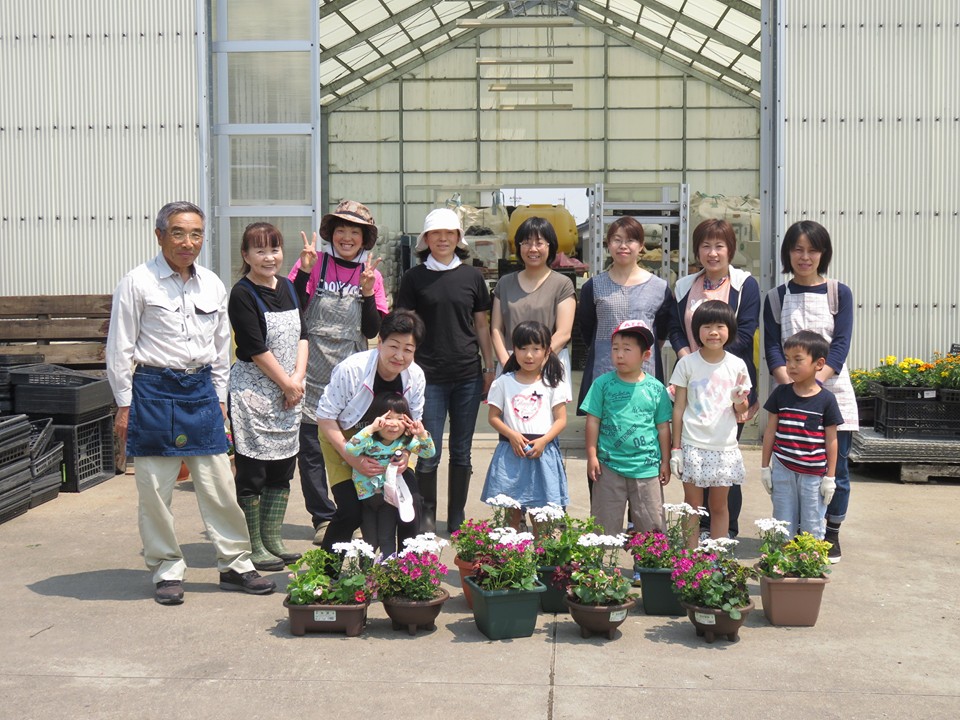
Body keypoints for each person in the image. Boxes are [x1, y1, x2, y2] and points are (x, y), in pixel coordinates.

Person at [106, 201, 275, 605]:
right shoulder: (138, 282)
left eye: (196, 234)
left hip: (200, 392)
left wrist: (219, 399)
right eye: (178, 233)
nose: (188, 242)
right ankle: (166, 569)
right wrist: (124, 405)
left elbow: (220, 349)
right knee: (154, 490)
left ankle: (235, 564)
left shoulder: (212, 284)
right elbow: (119, 348)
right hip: (153, 390)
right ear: (160, 235)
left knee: (219, 485)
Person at [289, 200, 388, 545]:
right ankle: (322, 517)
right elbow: (293, 312)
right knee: (311, 451)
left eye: (354, 232)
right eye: (341, 230)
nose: (347, 237)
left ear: (365, 238)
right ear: (331, 234)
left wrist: (367, 292)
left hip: (351, 376)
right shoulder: (314, 262)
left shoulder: (372, 274)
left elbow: (372, 330)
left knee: (351, 444)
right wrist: (304, 272)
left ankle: (351, 513)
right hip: (311, 369)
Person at [396, 208, 495, 534]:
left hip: (467, 374)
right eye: (435, 233)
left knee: (462, 451)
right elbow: (404, 328)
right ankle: (426, 516)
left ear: (458, 238)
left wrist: (489, 367)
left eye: (449, 233)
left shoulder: (472, 277)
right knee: (429, 450)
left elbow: (482, 325)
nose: (442, 239)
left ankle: (456, 516)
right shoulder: (414, 278)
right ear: (425, 239)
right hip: (428, 377)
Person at [763, 220, 857, 562]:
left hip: (832, 393)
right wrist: (792, 385)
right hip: (790, 398)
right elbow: (773, 347)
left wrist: (814, 383)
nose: (805, 257)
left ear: (823, 254)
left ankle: (830, 533)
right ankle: (797, 532)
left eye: (813, 250)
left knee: (835, 469)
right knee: (793, 467)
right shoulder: (776, 297)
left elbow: (840, 344)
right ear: (788, 253)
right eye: (798, 250)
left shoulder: (838, 292)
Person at [669, 218, 760, 539]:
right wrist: (689, 359)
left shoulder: (745, 284)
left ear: (730, 250)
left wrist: (713, 360)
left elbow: (746, 331)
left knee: (723, 455)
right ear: (697, 251)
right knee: (696, 458)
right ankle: (700, 533)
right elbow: (675, 329)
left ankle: (724, 532)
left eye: (719, 246)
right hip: (692, 381)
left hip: (727, 383)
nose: (712, 253)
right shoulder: (684, 285)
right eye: (705, 246)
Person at [227, 222, 307, 571]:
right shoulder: (242, 294)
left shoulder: (288, 287)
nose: (269, 257)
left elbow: (303, 335)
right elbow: (255, 348)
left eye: (274, 249)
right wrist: (286, 384)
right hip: (254, 395)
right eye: (260, 250)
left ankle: (272, 539)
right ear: (246, 255)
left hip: (290, 393)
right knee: (253, 472)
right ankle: (253, 544)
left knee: (282, 469)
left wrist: (297, 380)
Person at [314, 309, 427, 553]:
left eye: (408, 349)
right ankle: (324, 572)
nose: (399, 356)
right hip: (345, 437)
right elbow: (325, 417)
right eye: (393, 346)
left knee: (411, 504)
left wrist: (406, 455)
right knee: (351, 510)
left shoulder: (416, 376)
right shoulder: (351, 369)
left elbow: (414, 423)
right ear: (380, 342)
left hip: (393, 446)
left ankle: (406, 569)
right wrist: (352, 458)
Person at [668, 301, 751, 547]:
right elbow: (678, 408)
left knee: (719, 506)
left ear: (730, 330)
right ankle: (689, 558)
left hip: (724, 447)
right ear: (696, 330)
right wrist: (676, 449)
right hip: (692, 444)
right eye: (706, 326)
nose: (713, 332)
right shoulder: (687, 363)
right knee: (692, 506)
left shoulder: (737, 365)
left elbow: (742, 410)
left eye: (720, 326)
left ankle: (717, 557)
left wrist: (739, 400)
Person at [579, 320, 672, 535]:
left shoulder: (656, 388)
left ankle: (648, 557)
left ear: (645, 355)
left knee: (651, 527)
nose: (619, 355)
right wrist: (592, 456)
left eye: (627, 349)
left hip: (647, 468)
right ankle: (602, 557)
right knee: (603, 526)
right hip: (608, 467)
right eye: (615, 349)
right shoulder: (602, 384)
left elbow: (663, 427)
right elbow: (592, 421)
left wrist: (665, 461)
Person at [577, 216, 676, 408]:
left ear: (641, 246)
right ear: (608, 245)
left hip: (646, 371)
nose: (623, 246)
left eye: (630, 240)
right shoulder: (593, 286)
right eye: (617, 240)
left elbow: (661, 332)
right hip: (604, 368)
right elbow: (587, 329)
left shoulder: (659, 287)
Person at [480, 321, 570, 531]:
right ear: (514, 350)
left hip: (542, 452)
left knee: (541, 516)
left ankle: (542, 552)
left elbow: (561, 419)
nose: (529, 355)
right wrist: (511, 435)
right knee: (511, 514)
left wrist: (544, 441)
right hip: (512, 452)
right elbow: (493, 417)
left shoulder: (553, 383)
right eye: (523, 348)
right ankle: (512, 550)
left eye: (536, 349)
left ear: (547, 351)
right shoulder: (503, 382)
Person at [761, 331, 841, 540]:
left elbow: (832, 440)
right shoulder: (781, 394)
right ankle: (782, 558)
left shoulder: (827, 400)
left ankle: (810, 559)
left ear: (819, 363)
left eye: (798, 360)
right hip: (783, 468)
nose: (791, 366)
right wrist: (764, 467)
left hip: (813, 473)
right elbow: (770, 431)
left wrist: (830, 477)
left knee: (812, 524)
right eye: (787, 360)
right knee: (782, 523)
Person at [491, 217, 576, 397]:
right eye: (526, 243)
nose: (533, 249)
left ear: (550, 246)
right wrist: (509, 363)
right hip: (510, 363)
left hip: (549, 361)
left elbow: (564, 332)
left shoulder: (562, 284)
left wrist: (537, 360)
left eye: (539, 243)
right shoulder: (504, 284)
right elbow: (496, 329)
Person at [344, 393, 435, 557]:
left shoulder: (404, 441)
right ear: (376, 419)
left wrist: (422, 435)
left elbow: (428, 453)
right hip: (366, 499)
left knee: (387, 538)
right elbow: (350, 448)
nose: (394, 424)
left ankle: (388, 570)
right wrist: (371, 428)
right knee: (370, 542)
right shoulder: (369, 440)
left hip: (389, 499)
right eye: (388, 418)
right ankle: (366, 572)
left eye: (400, 418)